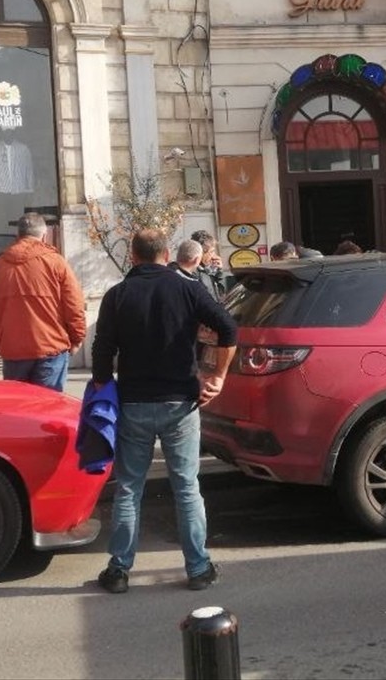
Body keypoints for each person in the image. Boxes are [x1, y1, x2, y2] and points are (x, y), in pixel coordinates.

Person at [92, 229, 238, 594]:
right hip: (180, 403)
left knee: (128, 488)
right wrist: (217, 376)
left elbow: (101, 351)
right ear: (167, 253)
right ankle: (199, 569)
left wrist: (101, 390)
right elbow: (228, 328)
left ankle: (119, 570)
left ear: (132, 255)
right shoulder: (187, 288)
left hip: (134, 402)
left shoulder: (117, 295)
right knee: (187, 487)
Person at [0, 212, 86, 392]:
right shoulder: (56, 263)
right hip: (51, 348)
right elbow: (74, 306)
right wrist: (76, 339)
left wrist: (0, 343)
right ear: (44, 235)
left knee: (19, 413)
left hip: (14, 353)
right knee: (49, 410)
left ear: (17, 236)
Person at [190, 229, 229, 300]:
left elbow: (222, 295)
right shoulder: (193, 272)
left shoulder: (208, 269)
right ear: (200, 253)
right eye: (211, 252)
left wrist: (219, 273)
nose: (214, 256)